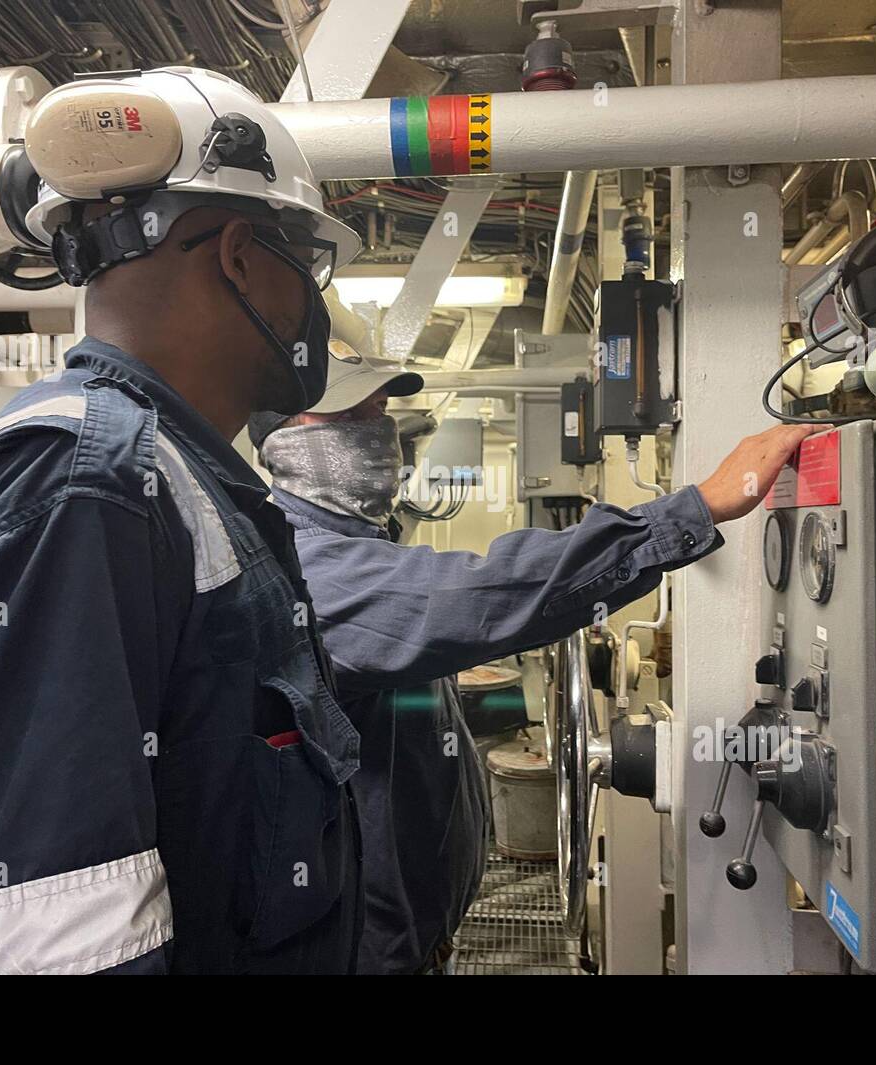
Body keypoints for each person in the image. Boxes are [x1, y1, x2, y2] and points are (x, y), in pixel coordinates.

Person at [0, 68, 368, 974]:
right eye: (309, 266)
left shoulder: (175, 483)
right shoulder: (85, 491)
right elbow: (30, 945)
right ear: (243, 255)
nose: (313, 306)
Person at [248, 357, 817, 974]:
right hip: (364, 950)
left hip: (410, 931)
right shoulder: (309, 570)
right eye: (348, 415)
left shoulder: (363, 547)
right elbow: (483, 591)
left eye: (380, 411)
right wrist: (696, 508)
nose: (376, 428)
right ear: (284, 438)